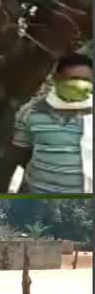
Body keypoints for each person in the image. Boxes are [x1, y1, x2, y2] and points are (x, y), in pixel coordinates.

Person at [12, 53, 93, 194]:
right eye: (74, 79)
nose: (80, 84)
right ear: (56, 79)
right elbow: (21, 153)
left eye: (86, 79)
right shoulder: (31, 111)